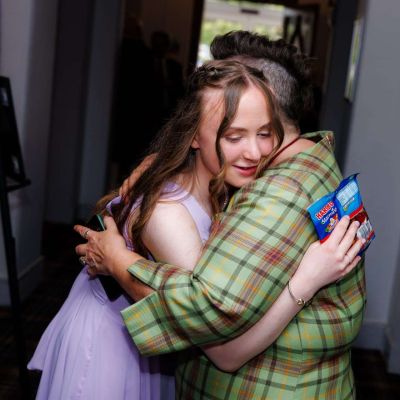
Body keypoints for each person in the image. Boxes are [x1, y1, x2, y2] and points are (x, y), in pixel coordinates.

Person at [76, 38, 366, 400]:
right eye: (233, 134)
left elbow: (212, 322)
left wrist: (118, 261)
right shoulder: (295, 159)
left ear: (264, 103)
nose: (252, 149)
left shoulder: (272, 190)